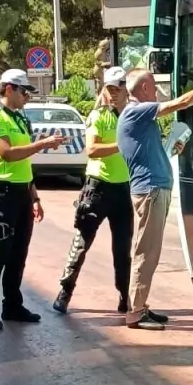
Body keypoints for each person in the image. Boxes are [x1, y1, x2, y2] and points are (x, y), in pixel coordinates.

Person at [117, 68, 193, 331]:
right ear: (145, 89)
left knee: (148, 252)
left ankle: (140, 306)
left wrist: (171, 148)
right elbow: (181, 103)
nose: (159, 91)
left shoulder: (137, 118)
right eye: (154, 86)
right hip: (150, 191)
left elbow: (148, 153)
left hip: (151, 189)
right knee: (145, 253)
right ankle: (136, 312)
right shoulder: (137, 110)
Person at [0, 69, 66, 331]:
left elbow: (24, 162)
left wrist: (34, 195)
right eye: (25, 91)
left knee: (19, 253)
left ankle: (12, 304)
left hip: (22, 191)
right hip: (0, 192)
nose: (28, 97)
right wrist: (43, 144)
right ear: (9, 89)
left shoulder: (21, 119)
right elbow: (8, 154)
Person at [53, 67, 133, 315]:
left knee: (123, 249)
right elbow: (92, 149)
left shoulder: (132, 115)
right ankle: (65, 291)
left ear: (126, 89)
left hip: (123, 189)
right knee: (81, 242)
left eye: (118, 88)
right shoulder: (98, 116)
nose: (114, 93)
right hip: (97, 188)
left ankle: (125, 295)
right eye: (110, 88)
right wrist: (120, 146)